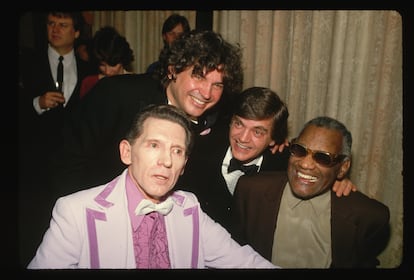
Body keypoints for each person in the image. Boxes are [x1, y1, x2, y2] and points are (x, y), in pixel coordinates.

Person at [27, 104, 278, 269]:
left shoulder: (189, 208)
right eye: (154, 145)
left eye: (177, 151)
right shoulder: (75, 212)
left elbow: (245, 262)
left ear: (184, 164)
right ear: (127, 152)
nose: (166, 161)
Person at [48, 29, 244, 202]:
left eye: (217, 84)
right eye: (198, 76)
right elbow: (68, 164)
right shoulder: (116, 94)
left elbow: (210, 187)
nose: (207, 93)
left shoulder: (214, 120)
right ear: (173, 69)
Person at [177, 87, 356, 232]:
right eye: (239, 124)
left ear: (274, 139)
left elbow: (318, 171)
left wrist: (338, 181)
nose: (243, 138)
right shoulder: (198, 150)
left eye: (257, 132)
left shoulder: (287, 163)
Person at [231, 116, 391, 268]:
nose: (306, 164)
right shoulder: (251, 191)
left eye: (322, 157)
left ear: (342, 167)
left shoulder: (368, 217)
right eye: (300, 150)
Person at [18, 11, 95, 267]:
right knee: (32, 233)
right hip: (34, 169)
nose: (55, 29)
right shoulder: (26, 63)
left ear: (75, 33)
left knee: (69, 236)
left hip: (73, 171)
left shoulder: (88, 69)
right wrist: (36, 103)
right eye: (51, 24)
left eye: (63, 25)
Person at [79, 26, 134, 98]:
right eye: (102, 65)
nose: (107, 71)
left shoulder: (134, 82)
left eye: (112, 64)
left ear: (123, 60)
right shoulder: (89, 83)